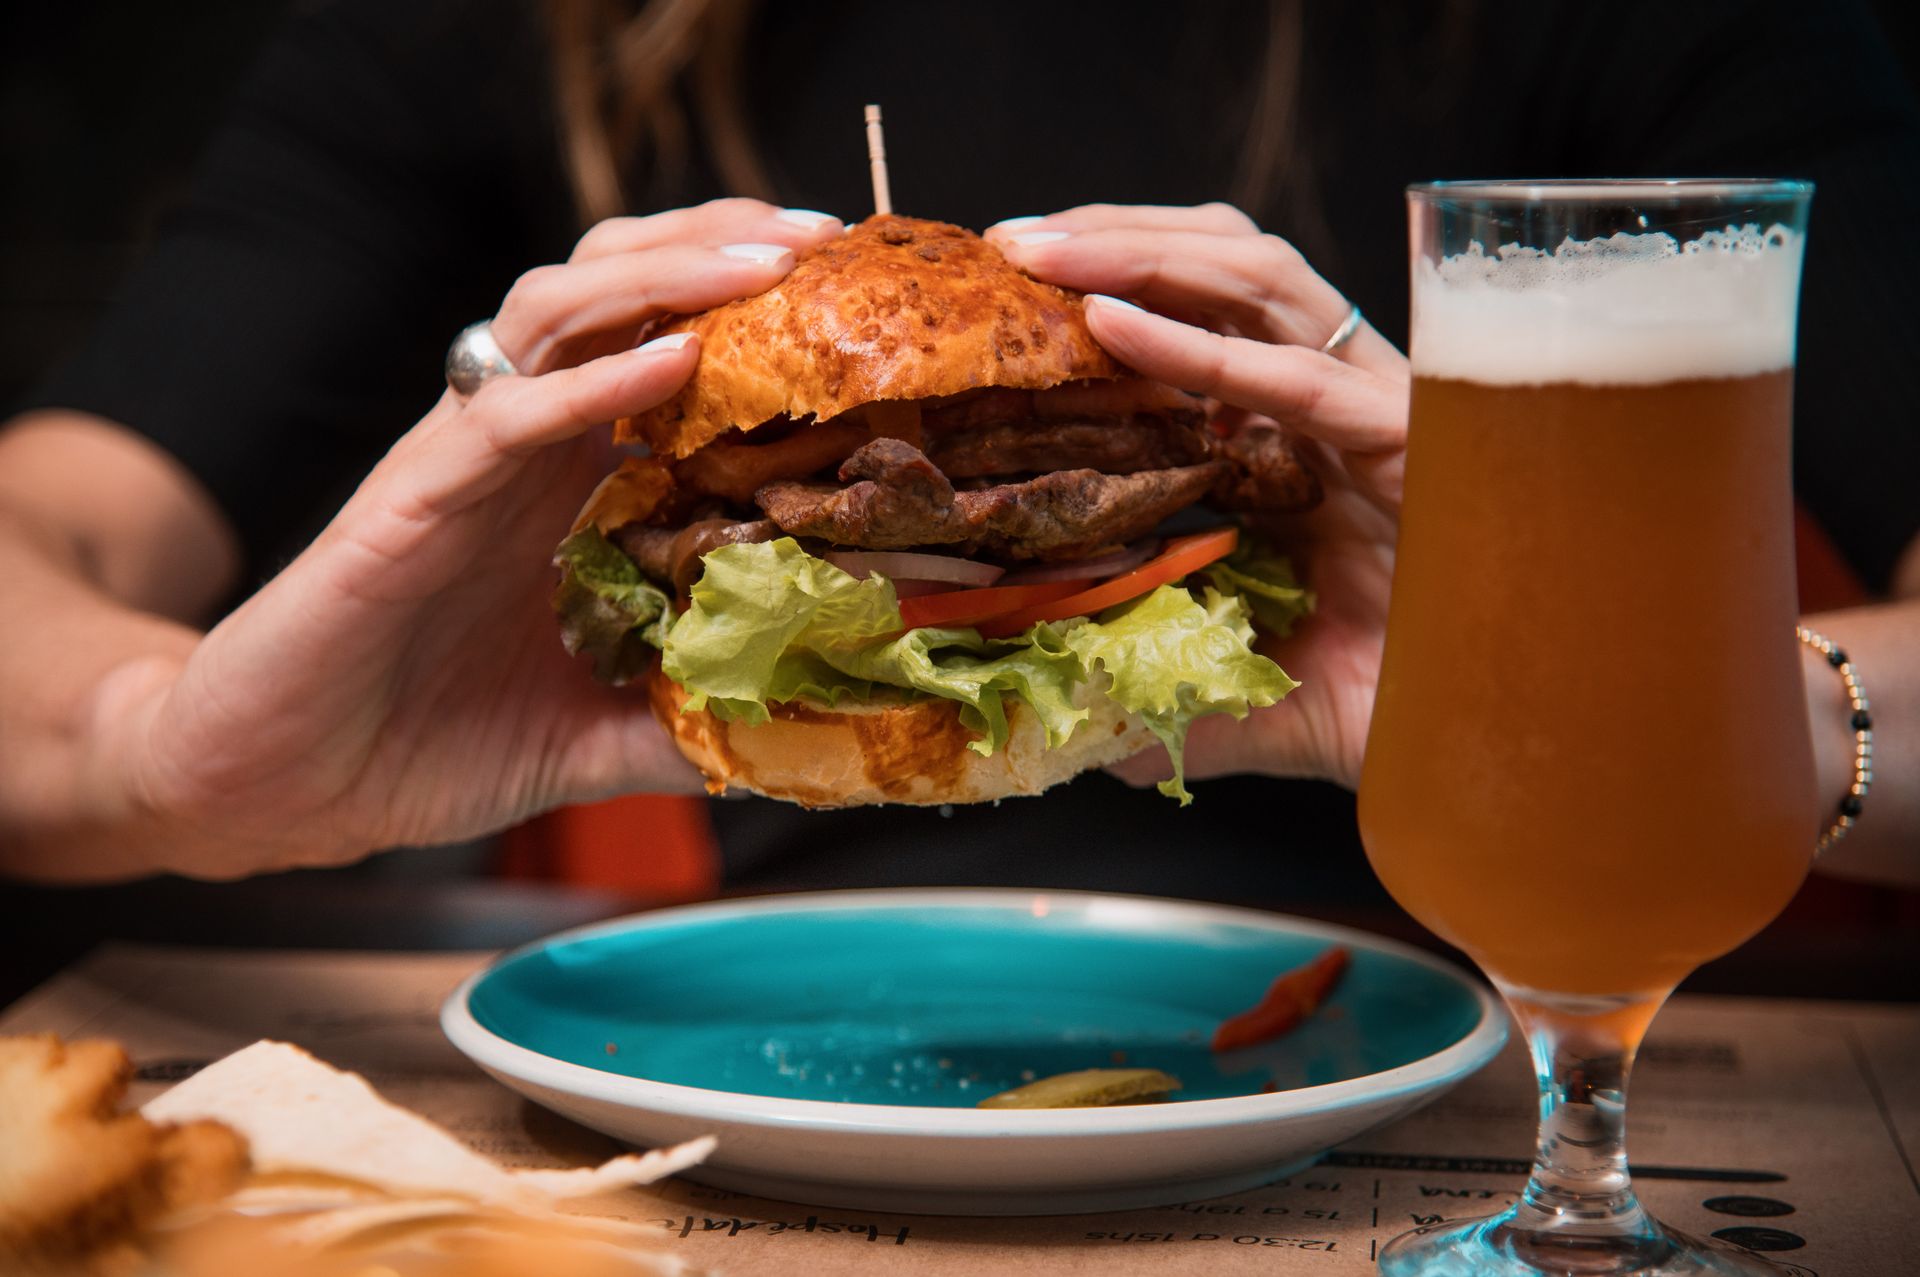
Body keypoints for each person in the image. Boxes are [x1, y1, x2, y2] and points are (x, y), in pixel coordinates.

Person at [1, 0, 1916, 897]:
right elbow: (52, 517)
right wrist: (158, 756)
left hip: (1503, 1087)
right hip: (751, 1081)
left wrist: (1687, 712)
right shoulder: (521, 25)